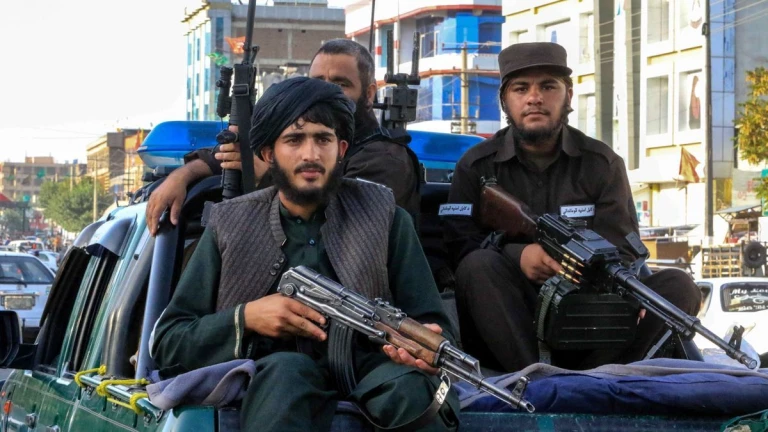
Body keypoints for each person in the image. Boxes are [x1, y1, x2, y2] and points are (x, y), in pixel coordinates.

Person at [151, 77, 458, 431]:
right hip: (274, 381)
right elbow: (169, 341)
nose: (310, 154)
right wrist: (247, 318)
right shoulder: (230, 224)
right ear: (269, 153)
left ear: (341, 149)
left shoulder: (385, 216)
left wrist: (423, 350)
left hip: (373, 372)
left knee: (415, 393)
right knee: (285, 377)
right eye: (294, 140)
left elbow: (436, 327)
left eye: (323, 139)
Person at [443, 42, 701, 373]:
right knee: (477, 266)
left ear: (568, 95)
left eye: (548, 87)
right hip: (512, 322)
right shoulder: (475, 166)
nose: (534, 98)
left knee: (678, 287)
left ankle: (597, 380)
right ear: (504, 100)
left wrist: (588, 272)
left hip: (593, 319)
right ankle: (538, 382)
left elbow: (623, 246)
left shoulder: (602, 164)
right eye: (521, 88)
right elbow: (456, 246)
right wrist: (517, 255)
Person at [146, 39, 420, 236]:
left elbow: (340, 231)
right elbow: (236, 153)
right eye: (317, 82)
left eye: (340, 84)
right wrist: (183, 176)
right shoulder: (297, 136)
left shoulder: (384, 160)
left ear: (369, 94)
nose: (325, 93)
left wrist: (268, 174)